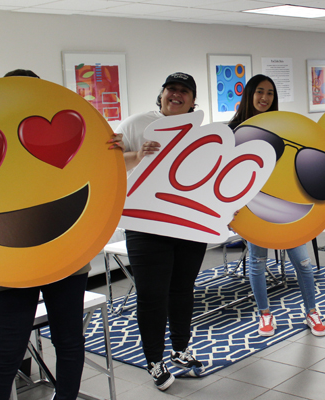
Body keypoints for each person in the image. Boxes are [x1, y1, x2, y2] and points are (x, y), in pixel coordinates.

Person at [0, 69, 126, 400]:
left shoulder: (62, 136)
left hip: (64, 254)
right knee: (7, 351)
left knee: (69, 342)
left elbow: (99, 177)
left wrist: (111, 152)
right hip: (9, 261)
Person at [116, 72, 205, 391]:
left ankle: (181, 349)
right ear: (162, 94)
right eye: (171, 89)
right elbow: (107, 160)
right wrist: (139, 156)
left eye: (184, 91)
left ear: (194, 101)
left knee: (182, 289)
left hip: (187, 222)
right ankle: (154, 360)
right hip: (145, 223)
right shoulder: (136, 124)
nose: (176, 95)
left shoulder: (202, 132)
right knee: (152, 295)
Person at [228, 74, 325, 338]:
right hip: (251, 207)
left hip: (284, 204)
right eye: (259, 92)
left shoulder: (281, 125)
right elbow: (223, 174)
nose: (264, 98)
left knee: (303, 263)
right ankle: (265, 315)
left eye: (270, 93)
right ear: (249, 94)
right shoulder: (233, 130)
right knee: (258, 262)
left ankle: (312, 312)